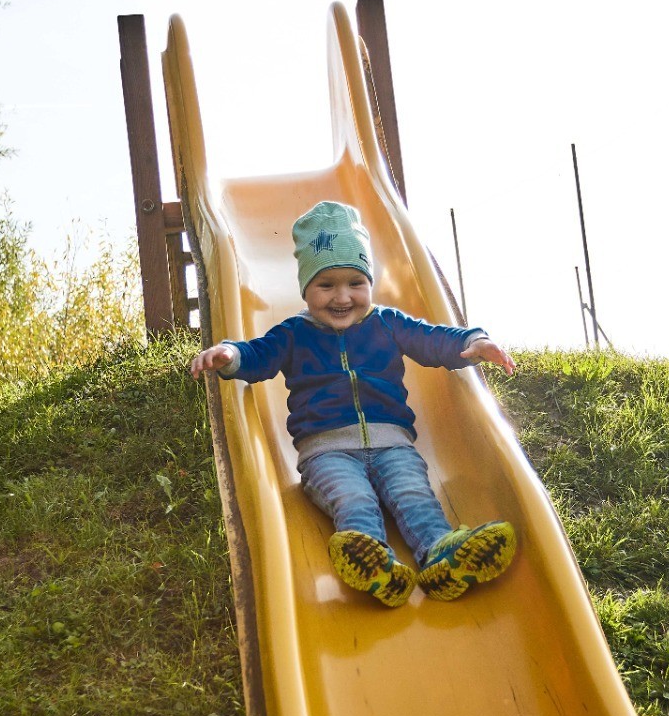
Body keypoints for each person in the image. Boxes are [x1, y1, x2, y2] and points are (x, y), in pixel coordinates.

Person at [189, 200, 518, 606]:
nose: (342, 296)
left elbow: (433, 339)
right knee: (353, 499)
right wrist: (229, 356)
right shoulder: (293, 334)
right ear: (305, 288)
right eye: (326, 285)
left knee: (414, 492)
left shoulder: (387, 323)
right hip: (326, 452)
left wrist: (473, 341)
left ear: (369, 283)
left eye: (355, 283)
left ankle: (441, 555)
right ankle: (375, 564)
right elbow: (258, 356)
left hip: (393, 443)